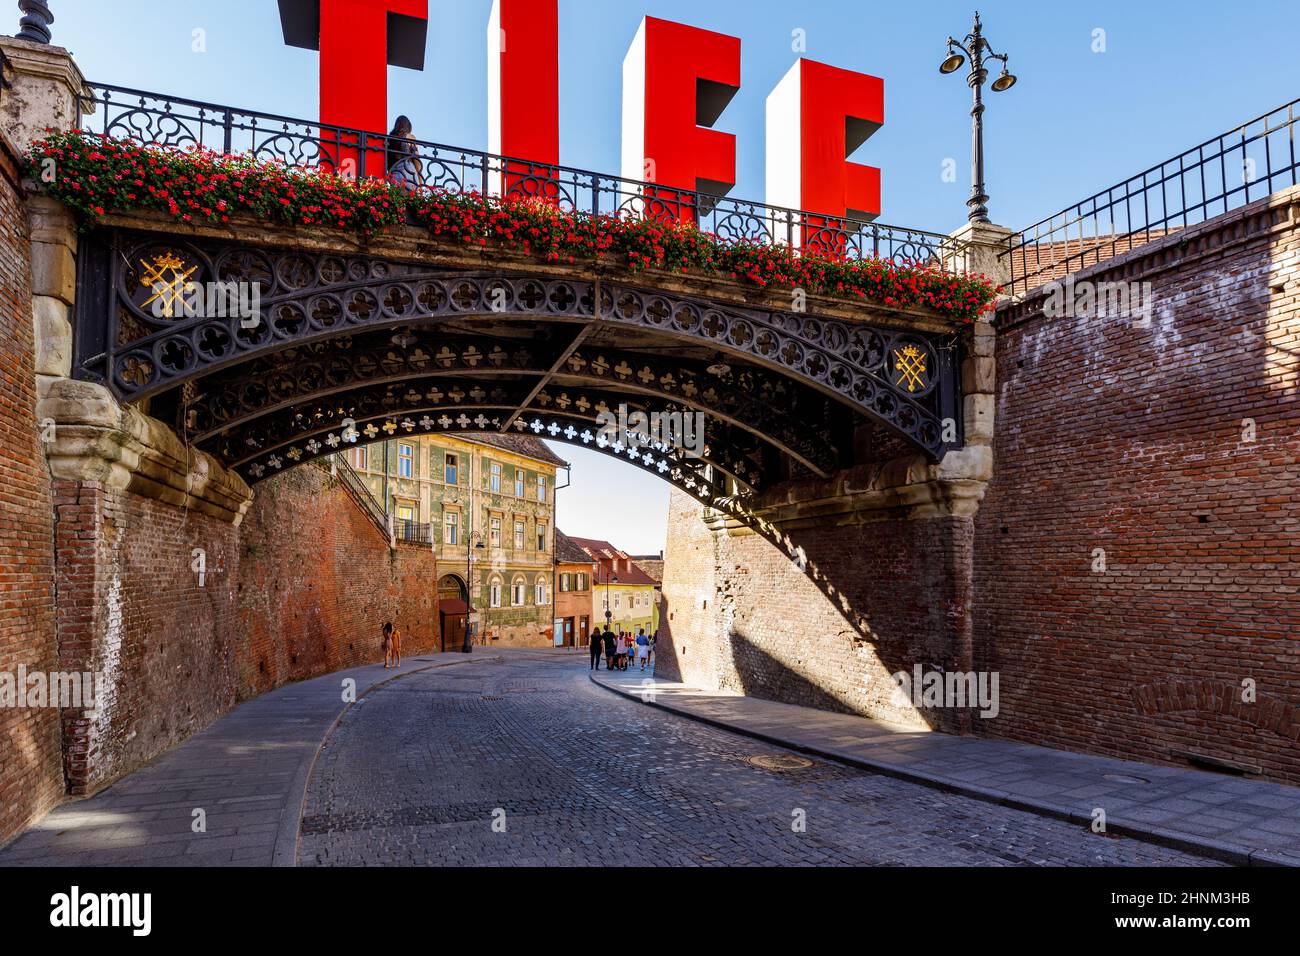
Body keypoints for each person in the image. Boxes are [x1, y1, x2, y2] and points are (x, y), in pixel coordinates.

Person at [386, 115, 422, 191]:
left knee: (399, 200)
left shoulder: (388, 140)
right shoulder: (409, 137)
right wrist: (420, 181)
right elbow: (417, 160)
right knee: (411, 199)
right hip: (408, 170)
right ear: (408, 126)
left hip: (394, 174)